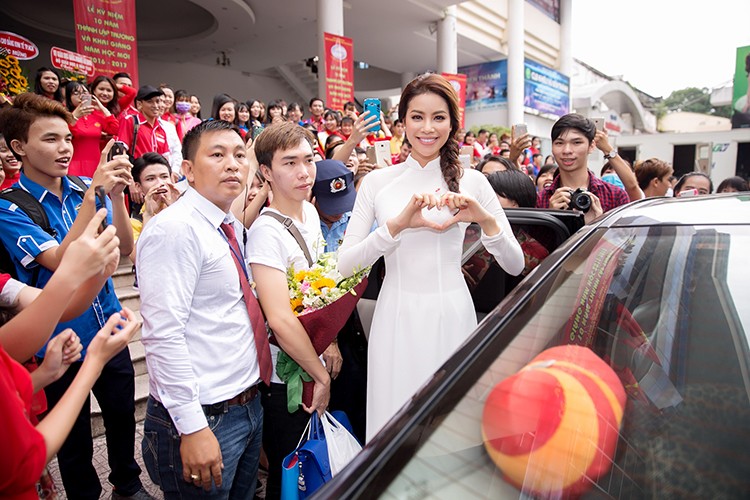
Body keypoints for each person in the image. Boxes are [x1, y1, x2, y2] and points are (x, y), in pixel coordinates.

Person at [337, 74, 524, 441]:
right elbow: (346, 266)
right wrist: (395, 228)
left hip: (452, 315)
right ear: (402, 121)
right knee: (392, 431)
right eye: (417, 117)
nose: (427, 127)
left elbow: (515, 264)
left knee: (450, 432)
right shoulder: (377, 183)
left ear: (453, 123)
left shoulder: (473, 182)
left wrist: (484, 220)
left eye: (439, 117)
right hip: (395, 319)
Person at [0, 92, 148, 499]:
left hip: (109, 325)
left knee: (121, 418)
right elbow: (61, 262)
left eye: (67, 138)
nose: (64, 148)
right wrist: (90, 200)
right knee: (74, 436)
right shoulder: (10, 207)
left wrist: (115, 196)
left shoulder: (87, 185)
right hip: (60, 341)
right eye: (50, 139)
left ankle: (128, 485)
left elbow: (124, 244)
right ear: (19, 148)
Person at [137, 120, 266, 498]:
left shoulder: (227, 225)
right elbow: (163, 334)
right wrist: (192, 427)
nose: (233, 165)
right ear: (188, 170)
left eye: (240, 155)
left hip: (246, 402)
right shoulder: (174, 230)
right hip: (204, 415)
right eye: (217, 155)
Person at [245, 122, 333, 499]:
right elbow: (279, 318)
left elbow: (323, 291)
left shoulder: (311, 214)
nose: (304, 172)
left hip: (314, 358)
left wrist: (332, 343)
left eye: (309, 160)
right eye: (290, 163)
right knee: (288, 475)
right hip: (287, 378)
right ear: (265, 172)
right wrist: (321, 376)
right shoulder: (266, 232)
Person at [536, 113, 630, 223]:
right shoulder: (540, 200)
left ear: (591, 146)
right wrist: (551, 219)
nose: (567, 150)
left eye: (576, 142)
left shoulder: (615, 196)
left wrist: (598, 225)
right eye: (559, 143)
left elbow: (624, 239)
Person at [65, 81, 120, 177]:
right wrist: (74, 117)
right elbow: (65, 133)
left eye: (84, 93)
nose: (81, 96)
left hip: (96, 164)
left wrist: (102, 108)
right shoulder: (65, 115)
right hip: (74, 164)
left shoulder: (96, 115)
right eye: (76, 93)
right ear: (69, 97)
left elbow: (114, 129)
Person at [116, 85, 170, 160]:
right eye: (150, 101)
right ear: (139, 104)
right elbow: (121, 151)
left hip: (157, 170)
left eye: (157, 101)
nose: (155, 105)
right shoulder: (130, 121)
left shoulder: (160, 129)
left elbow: (165, 158)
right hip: (136, 170)